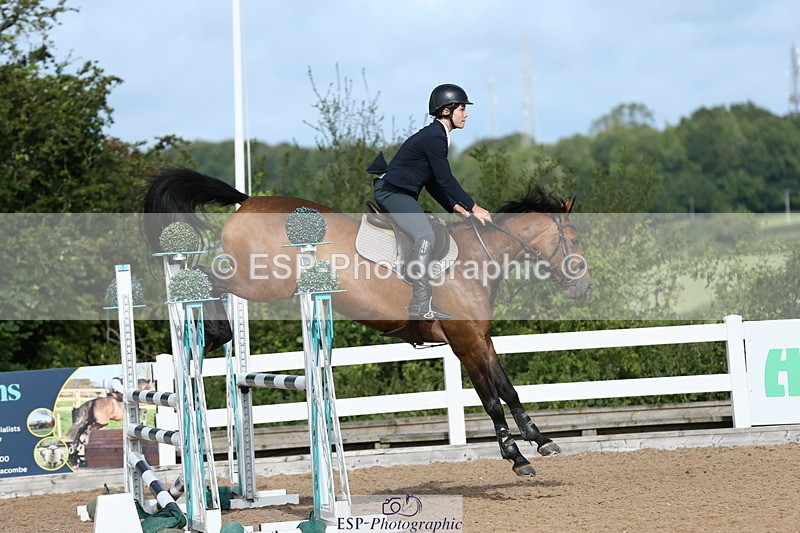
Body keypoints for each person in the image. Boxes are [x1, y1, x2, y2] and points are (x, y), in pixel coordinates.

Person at [367, 83, 492, 321]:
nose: (466, 114)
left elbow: (433, 182)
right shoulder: (435, 136)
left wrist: (455, 207)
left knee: (429, 231)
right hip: (392, 191)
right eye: (462, 108)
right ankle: (420, 303)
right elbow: (445, 179)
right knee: (426, 236)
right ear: (446, 111)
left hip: (399, 191)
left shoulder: (436, 135)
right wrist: (473, 207)